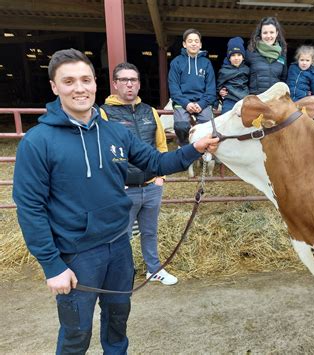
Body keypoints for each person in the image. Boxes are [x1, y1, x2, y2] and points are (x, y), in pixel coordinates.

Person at [12, 48, 218, 354]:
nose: (79, 88)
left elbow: (155, 162)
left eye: (85, 79)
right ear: (55, 87)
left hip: (119, 246)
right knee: (76, 333)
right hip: (75, 253)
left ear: (96, 83)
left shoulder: (114, 133)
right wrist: (52, 265)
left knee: (118, 322)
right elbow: (30, 208)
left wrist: (194, 149)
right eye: (68, 81)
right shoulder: (37, 141)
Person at [100, 62, 177, 285]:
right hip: (123, 188)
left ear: (139, 84)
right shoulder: (104, 113)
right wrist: (114, 181)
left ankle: (154, 270)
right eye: (124, 80)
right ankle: (123, 273)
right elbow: (102, 151)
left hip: (152, 185)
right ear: (115, 84)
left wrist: (161, 176)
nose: (129, 85)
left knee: (150, 232)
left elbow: (161, 146)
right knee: (121, 235)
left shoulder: (150, 112)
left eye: (133, 80)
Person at [168, 28, 216, 146]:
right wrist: (186, 103)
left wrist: (202, 104)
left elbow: (211, 89)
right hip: (182, 101)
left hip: (202, 102)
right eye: (190, 41)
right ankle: (184, 147)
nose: (193, 43)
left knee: (206, 123)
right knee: (181, 125)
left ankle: (203, 150)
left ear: (200, 44)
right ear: (184, 44)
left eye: (196, 41)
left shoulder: (206, 63)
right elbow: (174, 88)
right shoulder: (176, 62)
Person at [246, 16, 287, 95]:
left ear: (277, 33)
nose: (268, 36)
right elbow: (242, 75)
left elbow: (284, 79)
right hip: (255, 100)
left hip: (275, 101)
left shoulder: (282, 54)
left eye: (271, 32)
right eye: (265, 33)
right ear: (260, 34)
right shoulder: (251, 52)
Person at [217, 36, 250, 114]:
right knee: (226, 120)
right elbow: (219, 85)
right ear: (229, 58)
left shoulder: (247, 69)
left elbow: (250, 84)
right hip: (229, 100)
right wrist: (220, 91)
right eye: (233, 55)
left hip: (244, 100)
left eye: (239, 55)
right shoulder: (224, 70)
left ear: (243, 57)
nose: (236, 58)